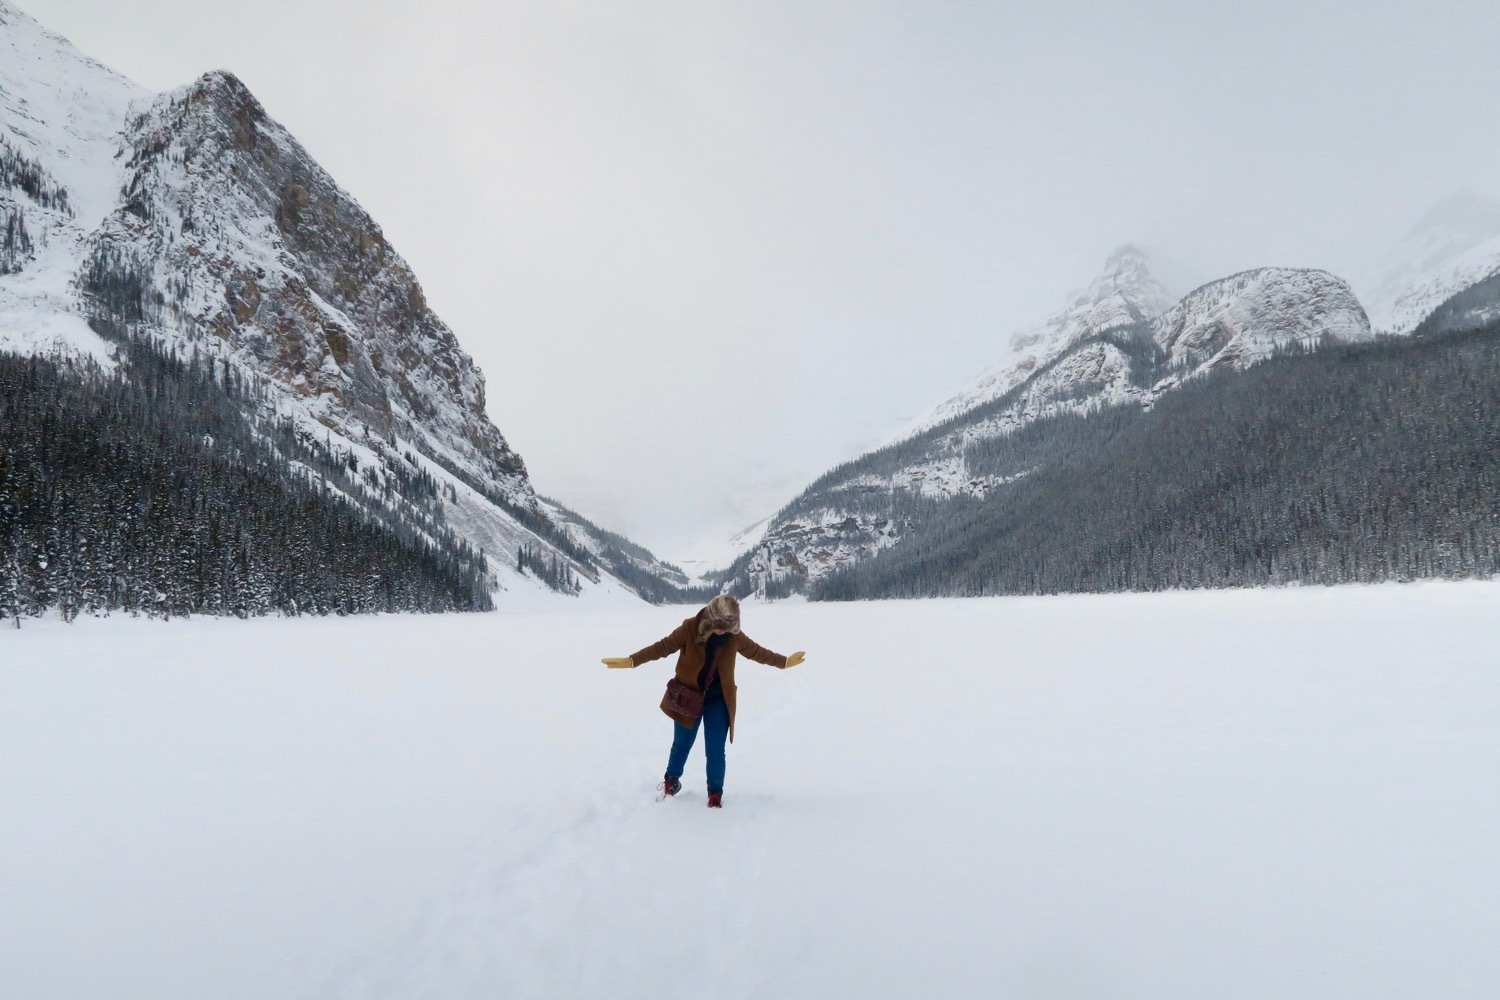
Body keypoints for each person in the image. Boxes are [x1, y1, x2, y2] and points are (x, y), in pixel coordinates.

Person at [602, 594, 805, 808]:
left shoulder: (734, 637)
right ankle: (671, 782)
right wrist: (632, 660)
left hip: (718, 701)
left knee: (716, 750)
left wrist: (784, 662)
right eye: (719, 626)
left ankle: (715, 793)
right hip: (688, 698)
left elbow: (757, 652)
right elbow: (662, 647)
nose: (722, 631)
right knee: (681, 745)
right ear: (710, 618)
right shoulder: (690, 628)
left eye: (727, 628)